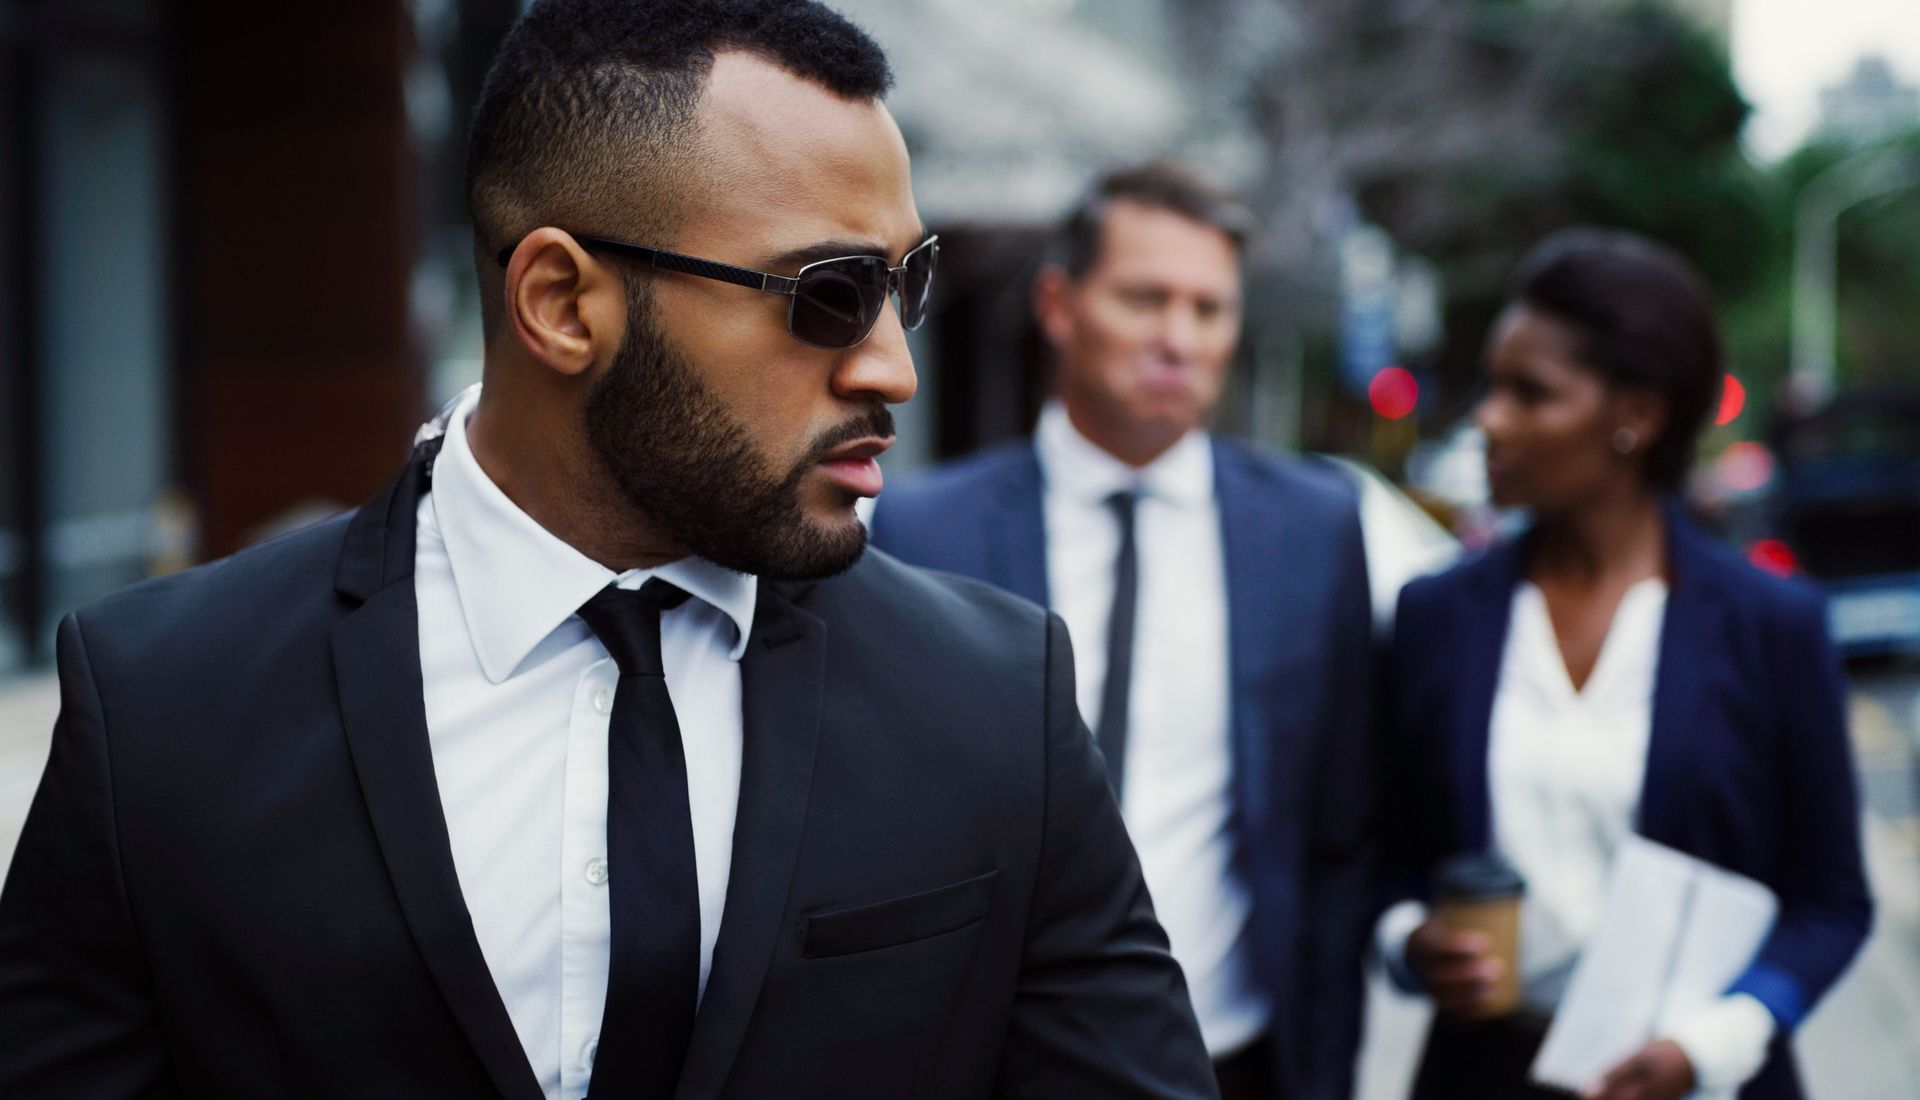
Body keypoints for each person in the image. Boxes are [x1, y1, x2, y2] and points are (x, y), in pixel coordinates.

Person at [0, 3, 1218, 1096]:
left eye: (909, 281)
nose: (890, 364)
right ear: (562, 303)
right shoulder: (163, 707)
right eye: (828, 292)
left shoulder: (996, 700)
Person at [871, 162, 1376, 1100]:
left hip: (1237, 1058)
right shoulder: (925, 529)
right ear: (1060, 304)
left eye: (1209, 309)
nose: (1179, 340)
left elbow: (1338, 838)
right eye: (1147, 299)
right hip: (994, 1061)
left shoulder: (1314, 530)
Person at [1381, 229, 1872, 1100]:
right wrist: (1413, 941)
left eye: (1530, 393)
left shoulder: (1771, 626)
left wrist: (1716, 1040)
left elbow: (1832, 900)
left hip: (1696, 1081)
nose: (1489, 418)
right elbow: (1382, 855)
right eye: (1492, 385)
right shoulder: (1439, 614)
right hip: (1483, 1074)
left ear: (1635, 418)